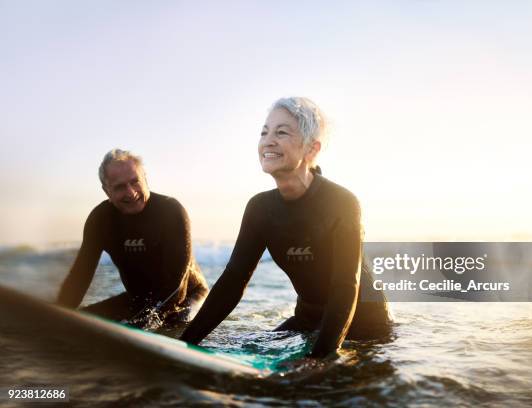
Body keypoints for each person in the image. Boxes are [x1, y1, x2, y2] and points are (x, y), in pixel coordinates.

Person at [180, 97, 392, 358]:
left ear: (312, 149)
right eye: (264, 132)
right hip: (307, 320)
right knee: (247, 347)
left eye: (281, 132)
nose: (268, 140)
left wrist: (320, 358)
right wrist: (186, 343)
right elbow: (233, 281)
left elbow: (345, 286)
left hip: (366, 326)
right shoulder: (260, 208)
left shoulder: (341, 203)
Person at [57, 149, 208, 325]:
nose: (131, 192)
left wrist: (143, 322)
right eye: (120, 187)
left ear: (145, 179)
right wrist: (58, 314)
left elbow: (176, 287)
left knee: (175, 321)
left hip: (187, 296)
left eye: (135, 182)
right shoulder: (100, 220)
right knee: (78, 320)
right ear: (107, 191)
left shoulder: (171, 212)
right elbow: (80, 276)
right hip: (137, 299)